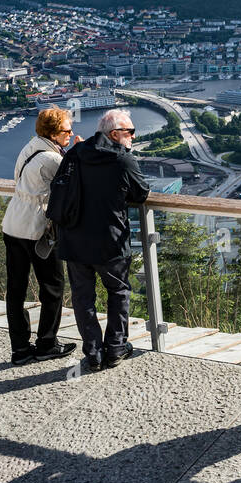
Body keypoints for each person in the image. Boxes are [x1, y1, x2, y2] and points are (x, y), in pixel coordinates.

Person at [57, 108, 151, 371]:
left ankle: (94, 354)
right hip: (110, 242)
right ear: (114, 134)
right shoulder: (123, 160)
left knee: (83, 298)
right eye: (130, 132)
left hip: (74, 239)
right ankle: (116, 348)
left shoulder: (76, 152)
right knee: (118, 292)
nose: (133, 136)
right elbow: (141, 193)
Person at [0, 107, 81, 365]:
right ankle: (46, 343)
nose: (71, 133)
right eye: (67, 131)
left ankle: (20, 348)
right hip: (36, 229)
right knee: (53, 287)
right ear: (53, 133)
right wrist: (78, 153)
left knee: (16, 289)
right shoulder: (52, 159)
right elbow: (77, 182)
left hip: (13, 224)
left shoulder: (30, 148)